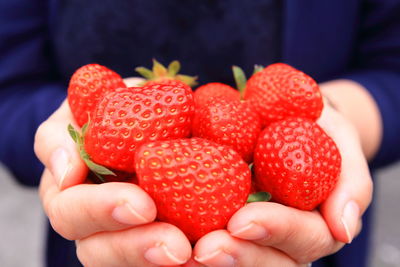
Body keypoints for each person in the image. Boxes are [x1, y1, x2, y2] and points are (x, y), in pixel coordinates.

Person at [1, 0, 399, 266]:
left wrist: (343, 115)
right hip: (101, 233)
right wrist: (62, 153)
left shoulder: (267, 131)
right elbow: (10, 89)